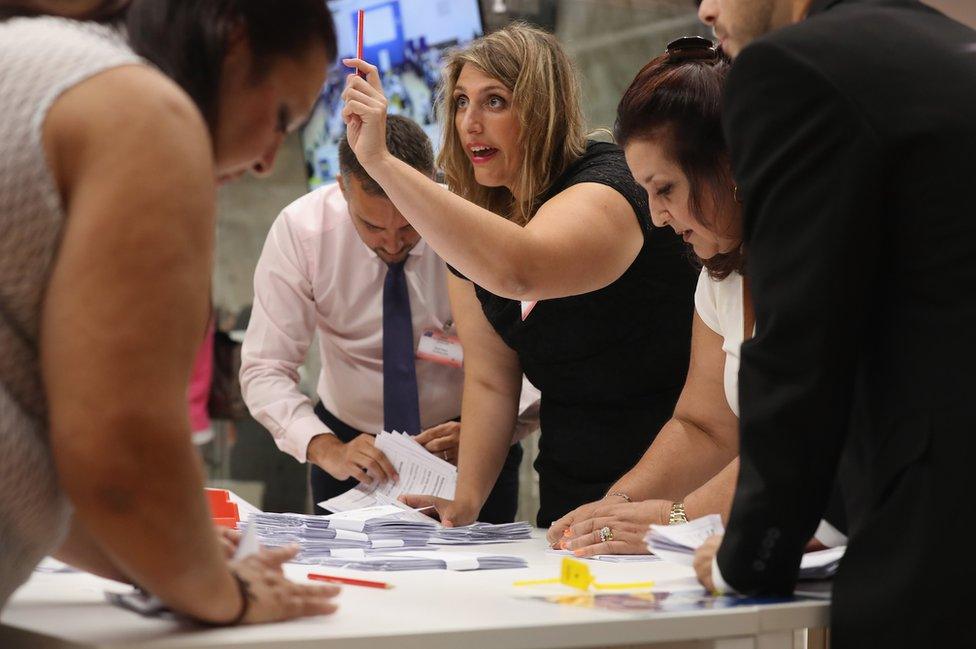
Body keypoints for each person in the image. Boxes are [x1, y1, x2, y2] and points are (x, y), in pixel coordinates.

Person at [0, 0, 342, 624]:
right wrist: (226, 596)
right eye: (282, 118)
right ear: (234, 42)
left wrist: (168, 557)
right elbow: (117, 443)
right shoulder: (143, 110)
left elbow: (46, 443)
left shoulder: (39, 61)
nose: (268, 160)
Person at [688, 1, 976, 647]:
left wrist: (750, 553)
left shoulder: (793, 67)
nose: (704, 8)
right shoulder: (944, 41)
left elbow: (801, 349)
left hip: (938, 531)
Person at [341, 22, 698, 527]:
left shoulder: (609, 186)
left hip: (677, 478)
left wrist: (379, 161)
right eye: (461, 102)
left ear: (541, 109)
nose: (470, 123)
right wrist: (465, 504)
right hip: (570, 487)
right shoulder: (475, 221)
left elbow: (521, 269)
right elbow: (490, 379)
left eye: (495, 101)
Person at [547, 38, 847, 557]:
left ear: (731, 167)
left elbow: (801, 437)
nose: (658, 216)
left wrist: (678, 517)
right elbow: (703, 425)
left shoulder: (819, 262)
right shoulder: (719, 277)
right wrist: (616, 506)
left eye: (665, 189)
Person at [240, 115, 528, 522]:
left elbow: (532, 351)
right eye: (372, 225)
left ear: (431, 183)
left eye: (409, 225)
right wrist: (324, 447)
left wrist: (493, 433)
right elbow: (265, 367)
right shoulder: (301, 232)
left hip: (468, 442)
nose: (392, 243)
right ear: (343, 189)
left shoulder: (472, 222)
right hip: (348, 449)